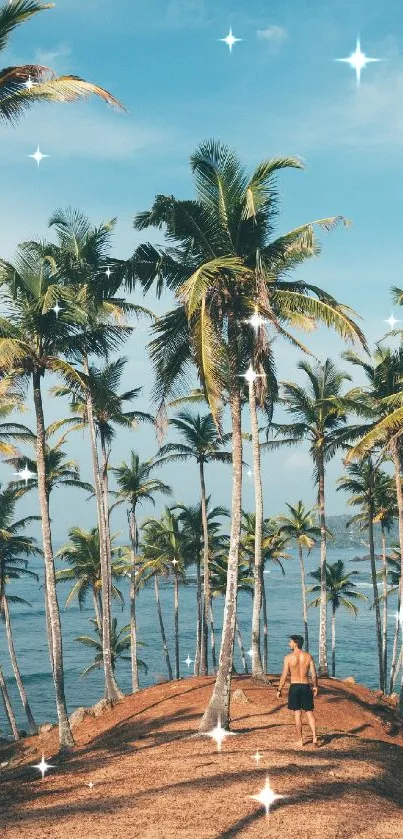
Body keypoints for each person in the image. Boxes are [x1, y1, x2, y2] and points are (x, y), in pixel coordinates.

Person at [276, 634, 319, 748]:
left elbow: (284, 675)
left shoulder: (288, 658)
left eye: (290, 642)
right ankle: (314, 737)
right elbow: (313, 674)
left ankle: (300, 740)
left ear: (295, 644)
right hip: (305, 686)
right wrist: (315, 686)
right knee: (309, 712)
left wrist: (279, 689)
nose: (289, 644)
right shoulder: (308, 656)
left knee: (297, 713)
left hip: (295, 687)